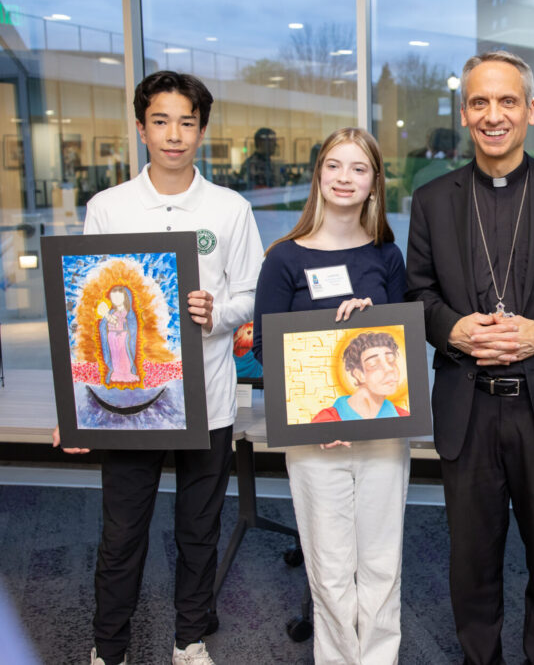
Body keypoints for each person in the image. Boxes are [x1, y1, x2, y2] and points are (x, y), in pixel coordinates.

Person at [405, 50, 534, 664]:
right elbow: (417, 293)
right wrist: (454, 330)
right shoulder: (433, 199)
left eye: (506, 101)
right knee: (471, 559)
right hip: (467, 407)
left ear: (530, 110)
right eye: (479, 102)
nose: (492, 115)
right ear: (465, 113)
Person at [53, 70, 264, 665]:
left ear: (202, 129)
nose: (175, 134)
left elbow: (251, 294)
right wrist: (75, 406)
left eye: (188, 122)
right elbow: (84, 307)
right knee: (122, 534)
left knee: (199, 531)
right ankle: (108, 646)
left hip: (209, 397)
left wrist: (216, 312)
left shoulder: (229, 208)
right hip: (128, 401)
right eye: (162, 121)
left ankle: (188, 639)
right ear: (141, 126)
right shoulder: (110, 207)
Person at [252, 127, 408, 664]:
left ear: (374, 183)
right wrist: (325, 408)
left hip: (382, 431)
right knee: (331, 564)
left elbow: (404, 347)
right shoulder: (283, 259)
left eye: (359, 168)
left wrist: (373, 326)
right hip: (318, 437)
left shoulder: (386, 255)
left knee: (383, 561)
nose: (346, 178)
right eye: (335, 166)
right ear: (318, 174)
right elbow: (268, 353)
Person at [312, 331, 410, 422]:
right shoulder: (325, 419)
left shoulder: (403, 416)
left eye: (391, 361)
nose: (389, 369)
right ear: (359, 374)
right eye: (374, 364)